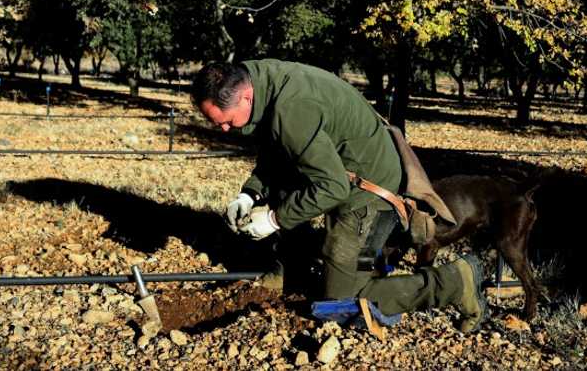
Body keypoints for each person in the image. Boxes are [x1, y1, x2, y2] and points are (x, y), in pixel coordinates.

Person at [191, 58, 487, 332]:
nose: (225, 129)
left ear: (245, 96)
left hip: (369, 190)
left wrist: (274, 219)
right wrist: (250, 194)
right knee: (284, 192)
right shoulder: (257, 78)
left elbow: (332, 187)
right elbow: (279, 148)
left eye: (226, 121)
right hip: (338, 172)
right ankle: (291, 271)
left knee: (340, 301)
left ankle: (455, 283)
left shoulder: (291, 109)